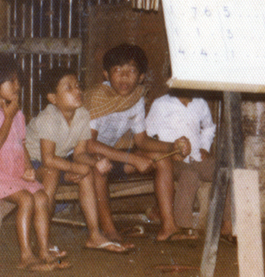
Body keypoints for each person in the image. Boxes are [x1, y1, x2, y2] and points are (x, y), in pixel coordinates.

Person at [83, 43, 195, 243]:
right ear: (106, 75)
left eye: (132, 70)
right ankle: (109, 230)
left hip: (117, 157)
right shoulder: (96, 97)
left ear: (141, 76)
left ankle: (169, 227)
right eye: (117, 70)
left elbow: (141, 140)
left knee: (162, 161)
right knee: (98, 164)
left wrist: (173, 147)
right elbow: (89, 145)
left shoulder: (136, 97)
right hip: (86, 157)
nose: (124, 76)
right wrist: (132, 158)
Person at [0, 53, 69, 271]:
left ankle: (44, 250)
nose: (17, 86)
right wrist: (7, 116)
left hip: (13, 172)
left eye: (18, 81)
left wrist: (27, 166)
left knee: (42, 197)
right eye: (12, 81)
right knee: (26, 199)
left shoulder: (16, 113)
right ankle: (26, 256)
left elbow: (21, 143)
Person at [26, 66, 133, 253]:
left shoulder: (82, 114)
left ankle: (94, 236)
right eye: (69, 88)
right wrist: (73, 168)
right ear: (53, 98)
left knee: (86, 171)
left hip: (58, 161)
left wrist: (95, 163)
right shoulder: (49, 118)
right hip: (32, 164)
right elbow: (48, 159)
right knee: (52, 174)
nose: (77, 90)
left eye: (77, 85)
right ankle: (42, 240)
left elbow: (80, 154)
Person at [145, 89, 233, 240]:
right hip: (173, 161)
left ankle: (227, 226)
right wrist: (169, 149)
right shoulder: (161, 104)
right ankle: (181, 226)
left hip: (197, 157)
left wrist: (205, 147)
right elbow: (147, 135)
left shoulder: (200, 103)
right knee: (189, 175)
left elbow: (209, 127)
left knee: (226, 171)